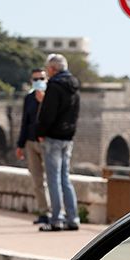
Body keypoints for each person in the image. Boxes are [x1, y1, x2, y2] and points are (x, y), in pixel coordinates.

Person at [35, 53, 81, 232]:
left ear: (53, 69)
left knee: (53, 179)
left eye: (48, 69)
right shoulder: (74, 85)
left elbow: (48, 113)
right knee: (64, 178)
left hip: (53, 137)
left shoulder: (54, 85)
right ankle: (73, 218)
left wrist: (40, 132)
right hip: (68, 137)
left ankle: (56, 219)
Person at [15, 67, 50, 224]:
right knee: (37, 180)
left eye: (41, 79)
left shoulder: (51, 97)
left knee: (52, 179)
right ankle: (44, 212)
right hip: (30, 142)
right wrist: (20, 145)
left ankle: (57, 213)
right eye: (35, 79)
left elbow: (49, 118)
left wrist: (43, 102)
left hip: (47, 142)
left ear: (46, 79)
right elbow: (25, 122)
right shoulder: (29, 98)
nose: (38, 82)